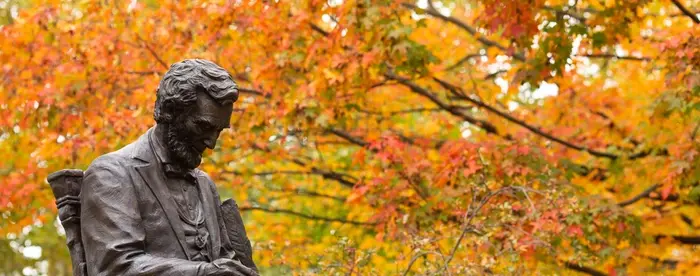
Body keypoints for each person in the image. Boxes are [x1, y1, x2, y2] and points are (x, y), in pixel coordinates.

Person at [80, 59, 257, 276]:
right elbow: (115, 268)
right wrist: (202, 273)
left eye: (219, 131)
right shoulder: (112, 174)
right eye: (203, 126)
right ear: (170, 112)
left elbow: (224, 261)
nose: (211, 143)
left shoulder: (204, 184)